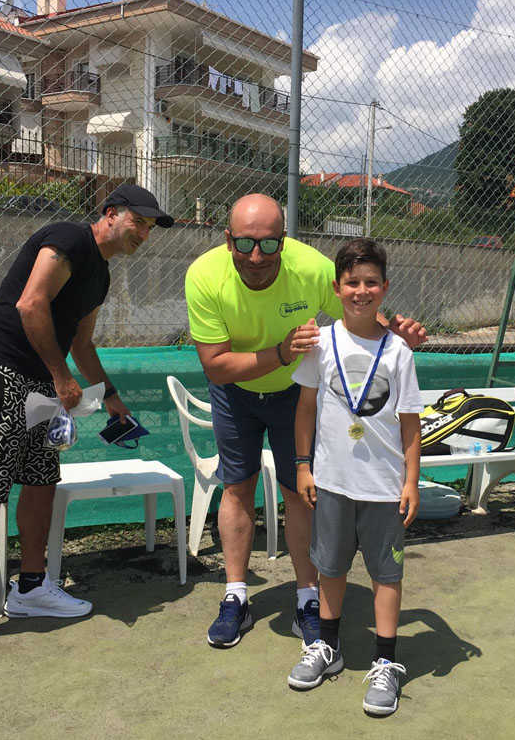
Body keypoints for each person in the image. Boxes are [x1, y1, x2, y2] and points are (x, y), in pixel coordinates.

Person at [0, 183, 173, 660]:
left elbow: (82, 344)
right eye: (139, 222)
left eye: (150, 227)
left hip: (42, 385)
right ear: (111, 213)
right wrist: (60, 376)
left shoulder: (101, 276)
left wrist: (111, 397)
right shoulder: (67, 238)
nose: (144, 234)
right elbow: (31, 304)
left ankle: (30, 587)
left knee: (41, 481)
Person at [184, 194, 425, 650]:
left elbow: (359, 308)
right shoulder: (203, 275)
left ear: (284, 239)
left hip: (295, 394)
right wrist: (280, 352)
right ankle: (236, 595)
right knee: (237, 486)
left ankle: (307, 598)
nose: (257, 256)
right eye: (245, 243)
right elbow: (216, 367)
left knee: (300, 492)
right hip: (235, 391)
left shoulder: (312, 268)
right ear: (227, 239)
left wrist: (394, 331)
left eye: (269, 244)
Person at [287, 238, 421, 716]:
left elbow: (410, 422)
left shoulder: (399, 351)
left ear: (385, 288)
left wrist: (411, 481)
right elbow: (305, 408)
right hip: (332, 482)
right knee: (330, 567)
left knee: (387, 574)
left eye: (371, 283)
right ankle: (327, 646)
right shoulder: (320, 343)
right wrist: (303, 465)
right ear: (336, 288)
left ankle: (386, 662)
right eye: (352, 283)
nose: (361, 291)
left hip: (384, 487)